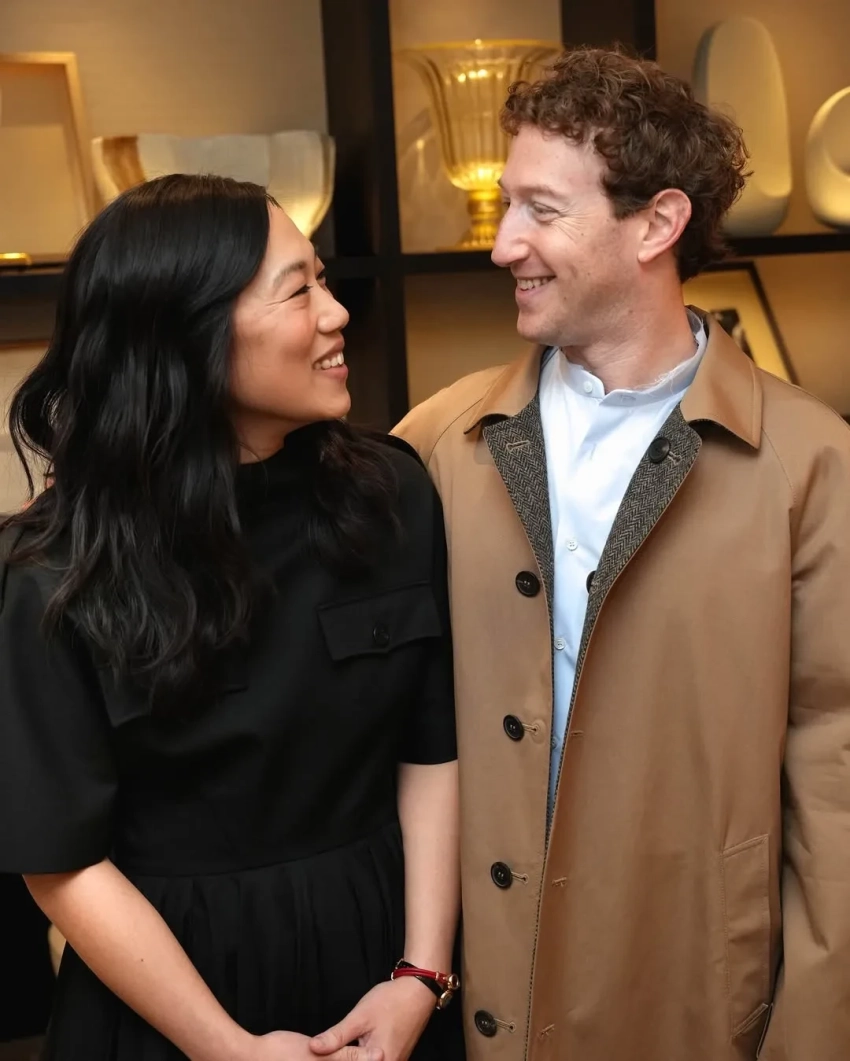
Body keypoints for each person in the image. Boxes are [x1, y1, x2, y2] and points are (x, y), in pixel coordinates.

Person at [394, 46, 850, 1061]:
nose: (503, 244)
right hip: (468, 1001)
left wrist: (811, 1037)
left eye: (541, 210)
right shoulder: (435, 443)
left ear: (657, 223)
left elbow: (838, 784)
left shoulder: (813, 464)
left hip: (693, 1004)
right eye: (505, 206)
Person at [0, 174, 464, 1061]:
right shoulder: (54, 568)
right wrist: (228, 1048)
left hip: (389, 978)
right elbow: (61, 861)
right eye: (298, 290)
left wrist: (421, 974)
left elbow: (432, 750)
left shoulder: (390, 494)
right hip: (169, 1004)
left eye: (324, 278)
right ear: (188, 332)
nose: (336, 314)